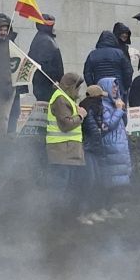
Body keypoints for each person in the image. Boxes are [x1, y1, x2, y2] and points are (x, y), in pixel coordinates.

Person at [82, 77, 131, 224]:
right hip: (111, 147)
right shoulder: (103, 106)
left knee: (120, 181)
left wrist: (121, 109)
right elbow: (107, 125)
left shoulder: (115, 103)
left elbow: (124, 121)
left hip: (120, 147)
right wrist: (118, 110)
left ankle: (115, 207)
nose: (116, 89)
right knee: (109, 180)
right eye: (113, 86)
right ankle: (107, 207)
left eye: (117, 86)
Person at [47, 73, 90, 220]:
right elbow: (65, 125)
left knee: (66, 188)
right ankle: (56, 219)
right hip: (62, 152)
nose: (78, 91)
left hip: (67, 152)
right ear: (70, 86)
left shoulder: (65, 99)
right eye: (77, 87)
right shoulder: (60, 99)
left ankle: (63, 219)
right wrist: (81, 116)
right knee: (60, 189)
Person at [83, 31, 133, 97]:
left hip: (100, 88)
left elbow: (87, 73)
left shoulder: (93, 54)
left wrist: (93, 87)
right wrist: (125, 87)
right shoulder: (120, 53)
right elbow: (129, 71)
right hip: (118, 87)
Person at [29, 14, 63, 102]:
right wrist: (54, 80)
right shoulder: (45, 41)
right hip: (47, 85)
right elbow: (46, 65)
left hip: (42, 84)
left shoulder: (41, 38)